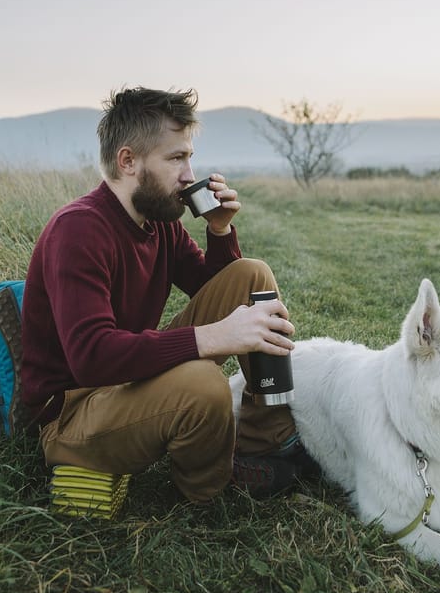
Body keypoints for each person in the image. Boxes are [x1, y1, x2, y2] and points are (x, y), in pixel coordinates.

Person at [20, 87, 311, 502]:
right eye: (176, 158)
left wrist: (220, 230)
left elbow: (213, 285)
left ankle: (266, 439)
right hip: (75, 412)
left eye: (189, 156)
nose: (190, 175)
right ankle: (213, 487)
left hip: (126, 381)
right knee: (203, 383)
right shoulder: (79, 229)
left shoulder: (159, 223)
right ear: (128, 161)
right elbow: (92, 356)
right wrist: (212, 338)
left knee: (253, 276)